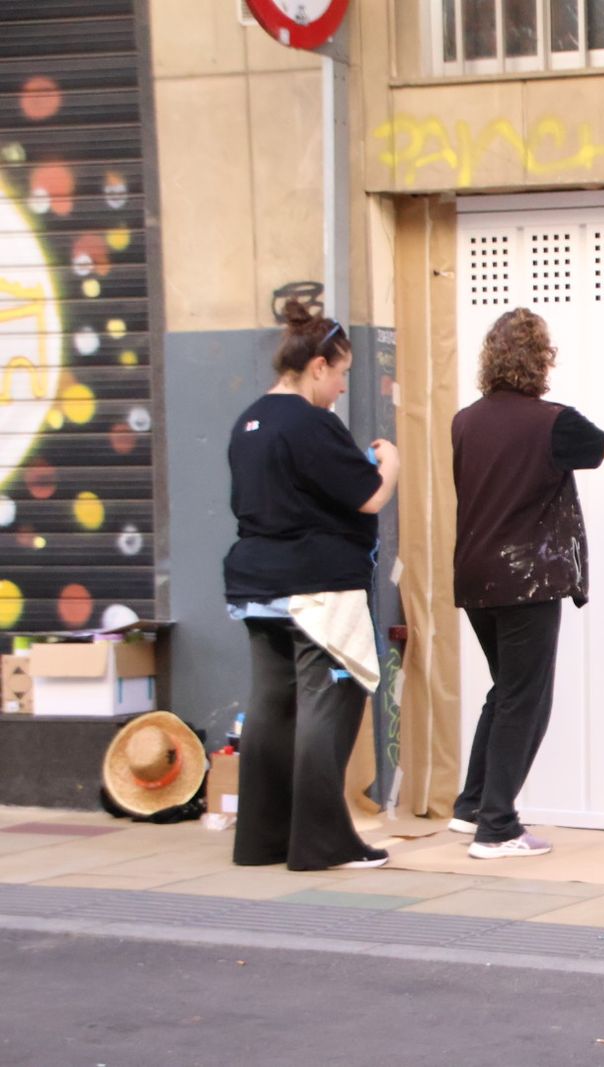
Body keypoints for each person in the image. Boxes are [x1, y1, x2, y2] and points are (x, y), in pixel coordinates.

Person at [449, 307, 604, 859]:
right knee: (526, 700)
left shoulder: (464, 421)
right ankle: (497, 829)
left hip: (474, 579)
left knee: (506, 692)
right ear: (542, 360)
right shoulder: (552, 421)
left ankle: (471, 807)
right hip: (526, 581)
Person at [223, 300, 399, 871]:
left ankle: (262, 840)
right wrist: (387, 461)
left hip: (256, 586)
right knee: (329, 702)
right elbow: (368, 495)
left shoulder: (248, 421)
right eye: (342, 373)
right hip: (318, 589)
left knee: (273, 706)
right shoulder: (311, 422)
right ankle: (322, 843)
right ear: (318, 366)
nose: (343, 387)